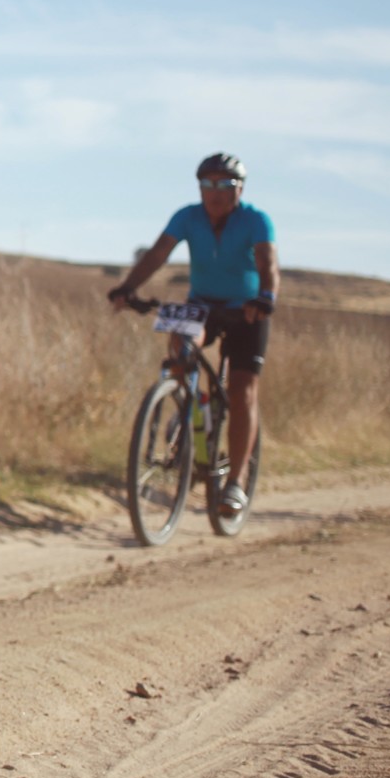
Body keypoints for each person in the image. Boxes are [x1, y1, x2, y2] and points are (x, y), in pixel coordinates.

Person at [107, 153, 279, 514]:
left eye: (224, 185)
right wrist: (127, 288)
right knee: (181, 350)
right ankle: (187, 406)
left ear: (240, 188)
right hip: (202, 304)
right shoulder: (188, 216)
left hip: (247, 310)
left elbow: (267, 262)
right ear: (199, 188)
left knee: (242, 388)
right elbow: (157, 255)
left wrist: (265, 297)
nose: (215, 192)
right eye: (208, 184)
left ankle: (235, 481)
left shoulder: (256, 220)